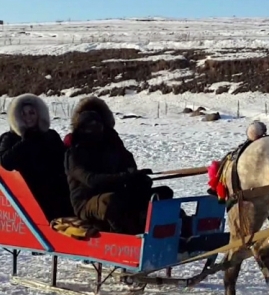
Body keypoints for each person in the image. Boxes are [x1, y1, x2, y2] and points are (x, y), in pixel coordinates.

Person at [64, 96, 173, 234]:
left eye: (98, 125)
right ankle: (125, 236)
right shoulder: (75, 153)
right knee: (110, 201)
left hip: (118, 193)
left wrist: (137, 176)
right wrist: (124, 176)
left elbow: (128, 164)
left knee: (162, 192)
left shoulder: (111, 144)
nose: (94, 130)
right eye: (89, 126)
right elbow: (90, 180)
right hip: (86, 202)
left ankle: (171, 229)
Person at [0, 93, 74, 221]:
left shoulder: (50, 135)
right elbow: (5, 163)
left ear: (39, 114)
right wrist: (26, 141)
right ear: (17, 116)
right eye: (23, 113)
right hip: (26, 194)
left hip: (55, 191)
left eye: (32, 113)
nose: (28, 117)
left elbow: (65, 160)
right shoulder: (10, 138)